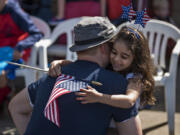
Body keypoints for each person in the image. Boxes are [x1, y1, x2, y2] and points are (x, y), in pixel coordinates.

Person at [8, 17, 142, 135]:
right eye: (113, 46)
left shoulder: (52, 74)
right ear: (104, 47)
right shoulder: (117, 84)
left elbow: (15, 107)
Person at [49, 26, 156, 109]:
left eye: (124, 56)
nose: (117, 59)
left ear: (136, 58)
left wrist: (99, 97)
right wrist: (60, 62)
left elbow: (129, 101)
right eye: (114, 52)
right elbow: (81, 65)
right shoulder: (110, 66)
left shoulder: (135, 78)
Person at [0, 0, 43, 107]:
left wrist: (20, 46)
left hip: (13, 52)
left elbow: (36, 34)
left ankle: (7, 94)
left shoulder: (15, 11)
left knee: (1, 75)